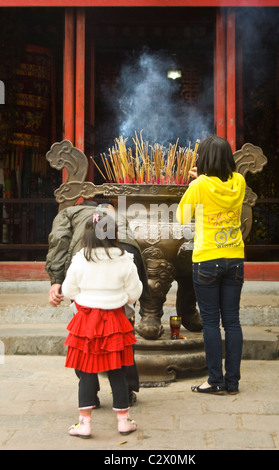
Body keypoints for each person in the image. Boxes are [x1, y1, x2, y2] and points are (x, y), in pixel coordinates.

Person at [45, 199, 150, 405]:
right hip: (128, 252)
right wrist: (122, 301)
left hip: (86, 254)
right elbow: (134, 291)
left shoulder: (70, 213)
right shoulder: (113, 216)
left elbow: (59, 240)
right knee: (122, 335)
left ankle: (89, 397)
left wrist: (56, 280)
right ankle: (126, 393)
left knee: (86, 346)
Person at [62, 210, 143, 438]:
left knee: (87, 372)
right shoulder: (125, 260)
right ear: (115, 234)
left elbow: (68, 290)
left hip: (87, 322)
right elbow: (135, 292)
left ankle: (85, 423)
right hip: (116, 322)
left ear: (87, 236)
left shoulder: (80, 260)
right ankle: (123, 421)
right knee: (118, 372)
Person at [176, 135, 246, 395]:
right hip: (235, 259)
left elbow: (182, 217)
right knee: (232, 322)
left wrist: (195, 184)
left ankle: (214, 380)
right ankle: (233, 382)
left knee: (210, 323)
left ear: (203, 159)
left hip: (206, 259)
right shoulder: (239, 182)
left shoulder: (200, 185)